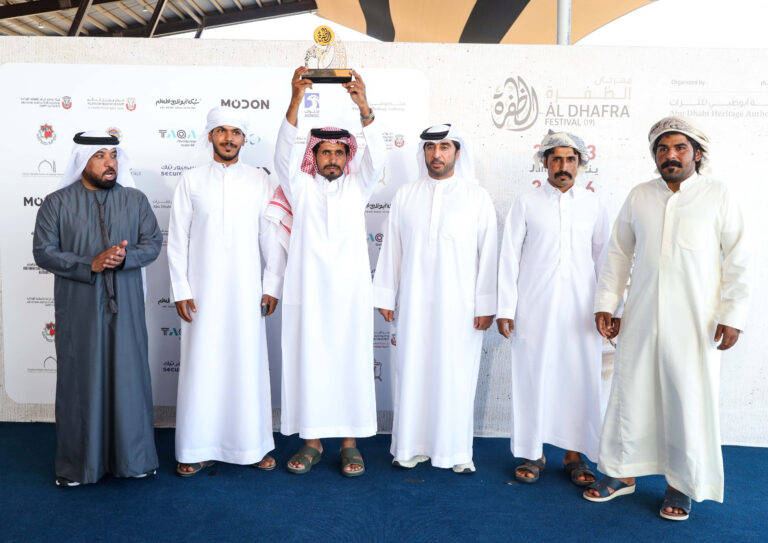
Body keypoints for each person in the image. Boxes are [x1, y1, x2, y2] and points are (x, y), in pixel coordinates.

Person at [585, 117, 750, 521]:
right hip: (641, 315)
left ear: (697, 154)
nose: (670, 155)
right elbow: (619, 253)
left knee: (687, 399)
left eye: (679, 148)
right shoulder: (640, 196)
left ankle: (681, 484)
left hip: (696, 321)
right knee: (630, 393)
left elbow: (738, 259)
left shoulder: (718, 195)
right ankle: (622, 473)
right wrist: (608, 304)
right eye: (662, 149)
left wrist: (732, 314)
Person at [33, 131, 163, 487]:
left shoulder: (135, 200)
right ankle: (79, 466)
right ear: (82, 161)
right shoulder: (56, 204)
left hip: (127, 308)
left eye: (114, 156)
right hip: (80, 311)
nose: (110, 163)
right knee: (81, 382)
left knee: (129, 380)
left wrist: (125, 257)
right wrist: (89, 263)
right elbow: (43, 251)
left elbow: (153, 242)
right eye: (100, 156)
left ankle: (135, 460)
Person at [273, 67, 385, 477]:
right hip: (309, 293)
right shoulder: (299, 187)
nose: (333, 159)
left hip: (351, 294)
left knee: (350, 363)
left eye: (339, 152)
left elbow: (378, 159)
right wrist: (295, 100)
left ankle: (350, 443)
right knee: (311, 363)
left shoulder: (359, 186)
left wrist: (364, 106)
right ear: (314, 156)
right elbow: (281, 156)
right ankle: (312, 441)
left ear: (347, 156)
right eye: (325, 152)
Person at [167, 107, 285, 477]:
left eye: (235, 132)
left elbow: (271, 237)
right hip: (201, 293)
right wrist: (180, 288)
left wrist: (272, 284)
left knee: (247, 365)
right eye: (221, 131)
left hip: (246, 291)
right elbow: (177, 239)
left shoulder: (260, 180)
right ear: (210, 136)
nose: (229, 138)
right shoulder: (191, 180)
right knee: (202, 366)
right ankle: (195, 447)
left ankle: (252, 446)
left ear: (244, 139)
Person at [373, 124, 497, 474]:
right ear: (423, 153)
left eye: (444, 147)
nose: (436, 154)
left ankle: (455, 451)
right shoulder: (406, 195)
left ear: (457, 152)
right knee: (412, 371)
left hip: (460, 307)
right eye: (430, 148)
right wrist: (386, 294)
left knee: (455, 374)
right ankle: (409, 447)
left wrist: (486, 305)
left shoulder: (477, 197)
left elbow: (488, 254)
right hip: (413, 304)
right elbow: (392, 248)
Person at [496, 131, 610, 486]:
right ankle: (533, 452)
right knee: (532, 377)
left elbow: (605, 259)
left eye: (570, 159)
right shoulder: (526, 202)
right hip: (534, 307)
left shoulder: (593, 205)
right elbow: (509, 256)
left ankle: (575, 455)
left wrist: (610, 308)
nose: (563, 166)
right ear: (544, 162)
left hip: (582, 310)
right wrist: (506, 308)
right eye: (556, 159)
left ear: (580, 163)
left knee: (579, 380)